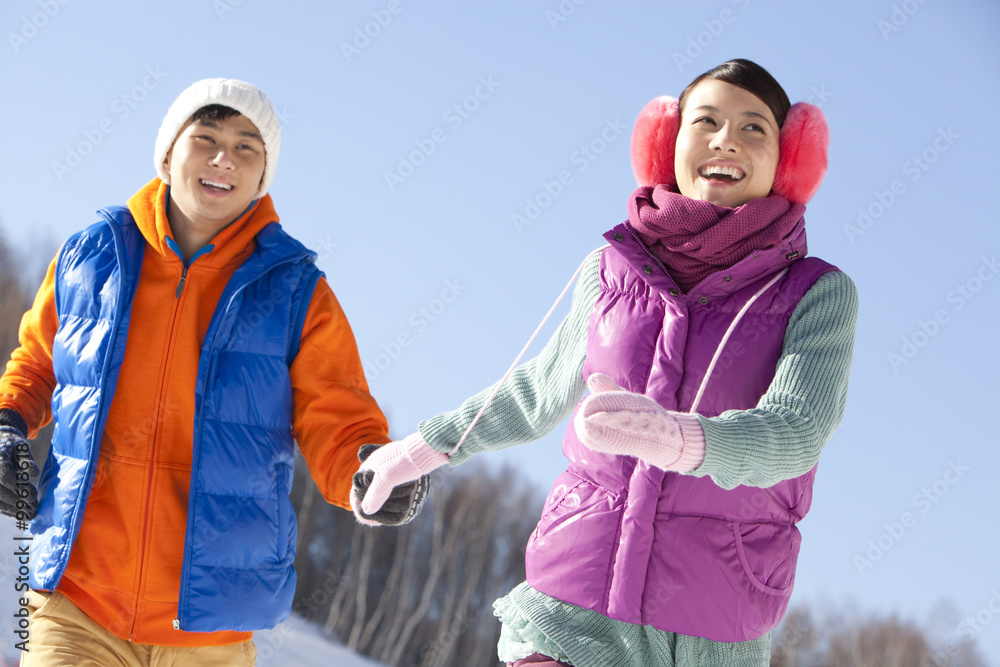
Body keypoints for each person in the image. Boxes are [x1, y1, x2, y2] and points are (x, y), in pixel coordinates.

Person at [351, 59, 859, 666]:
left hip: (707, 628)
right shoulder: (610, 270)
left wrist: (684, 441)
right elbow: (536, 393)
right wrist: (420, 449)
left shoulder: (815, 293)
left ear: (790, 161)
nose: (726, 139)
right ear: (668, 143)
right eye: (707, 121)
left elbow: (798, 430)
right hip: (573, 601)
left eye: (755, 129)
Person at [0, 78, 422, 666]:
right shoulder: (94, 255)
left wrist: (370, 473)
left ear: (261, 177)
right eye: (207, 138)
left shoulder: (295, 291)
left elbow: (338, 416)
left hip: (210, 634)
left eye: (247, 147)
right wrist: (7, 425)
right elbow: (37, 362)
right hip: (77, 604)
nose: (225, 159)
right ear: (169, 154)